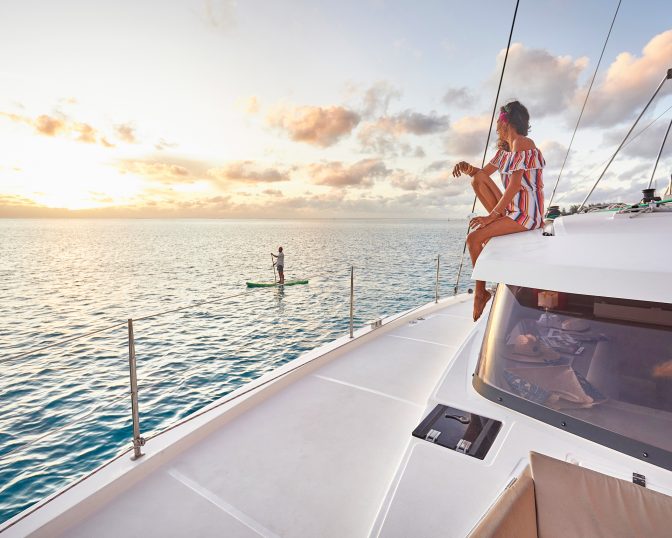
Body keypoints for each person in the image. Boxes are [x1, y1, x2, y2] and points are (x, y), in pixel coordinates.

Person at [452, 100, 545, 322]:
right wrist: (467, 167)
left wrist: (490, 218)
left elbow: (514, 186)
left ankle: (481, 292)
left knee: (474, 239)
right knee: (477, 179)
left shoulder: (522, 143)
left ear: (506, 123)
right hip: (512, 211)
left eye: (497, 123)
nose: (495, 128)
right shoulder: (505, 151)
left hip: (527, 215)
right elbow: (482, 174)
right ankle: (482, 291)